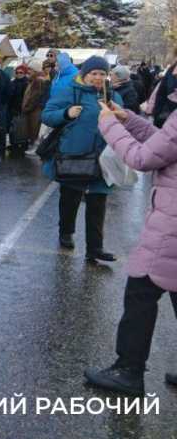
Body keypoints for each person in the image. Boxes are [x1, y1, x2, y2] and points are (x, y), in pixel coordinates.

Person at [83, 99, 177, 395]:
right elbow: (165, 144)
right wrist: (129, 121)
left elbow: (141, 158)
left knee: (141, 291)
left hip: (172, 224)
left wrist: (109, 124)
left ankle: (128, 370)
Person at [41, 55, 120, 262]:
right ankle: (66, 232)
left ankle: (95, 248)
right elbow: (47, 115)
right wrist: (67, 113)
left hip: (103, 159)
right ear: (85, 75)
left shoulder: (112, 96)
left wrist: (118, 115)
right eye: (94, 73)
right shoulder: (70, 91)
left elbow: (125, 119)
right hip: (73, 155)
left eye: (102, 74)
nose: (98, 77)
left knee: (98, 202)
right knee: (70, 197)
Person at [22, 59, 49, 156]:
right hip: (34, 109)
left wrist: (27, 107)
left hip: (35, 110)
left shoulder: (38, 80)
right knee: (33, 130)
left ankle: (35, 149)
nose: (28, 71)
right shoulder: (34, 79)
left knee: (34, 130)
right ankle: (33, 147)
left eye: (30, 69)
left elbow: (35, 97)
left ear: (35, 70)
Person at [8, 64, 30, 151]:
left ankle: (23, 143)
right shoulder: (13, 82)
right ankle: (14, 143)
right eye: (17, 72)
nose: (18, 74)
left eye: (21, 72)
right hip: (13, 108)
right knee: (13, 127)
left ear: (24, 73)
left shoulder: (27, 83)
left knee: (23, 127)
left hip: (22, 109)